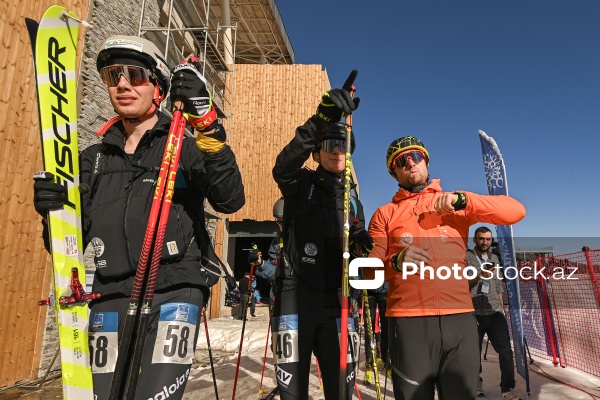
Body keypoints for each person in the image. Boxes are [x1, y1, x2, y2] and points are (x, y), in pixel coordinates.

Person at [32, 35, 244, 400]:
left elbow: (230, 199)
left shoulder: (185, 147)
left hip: (174, 289)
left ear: (158, 86)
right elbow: (70, 242)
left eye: (135, 74)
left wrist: (206, 125)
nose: (123, 84)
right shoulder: (93, 159)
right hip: (111, 292)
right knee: (104, 395)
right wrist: (52, 214)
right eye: (113, 75)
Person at [368, 136, 526, 400]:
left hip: (460, 320)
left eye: (416, 156)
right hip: (409, 324)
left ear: (426, 162)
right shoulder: (385, 213)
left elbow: (516, 211)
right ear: (393, 170)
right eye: (401, 160)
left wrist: (464, 200)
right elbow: (368, 273)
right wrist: (394, 263)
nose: (410, 163)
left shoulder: (454, 203)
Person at [271, 75, 373, 399]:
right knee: (292, 391)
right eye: (328, 145)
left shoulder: (353, 200)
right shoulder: (301, 184)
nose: (336, 151)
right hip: (295, 297)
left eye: (342, 145)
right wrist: (321, 120)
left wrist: (361, 248)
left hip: (339, 302)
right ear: (316, 154)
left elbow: (360, 255)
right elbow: (282, 167)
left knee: (340, 391)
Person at [468, 226, 522, 400]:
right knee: (473, 353)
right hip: (474, 312)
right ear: (475, 239)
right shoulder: (467, 256)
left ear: (492, 241)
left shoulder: (495, 258)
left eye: (488, 239)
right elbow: (462, 282)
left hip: (494, 311)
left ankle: (507, 390)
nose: (485, 242)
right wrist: (479, 275)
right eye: (481, 238)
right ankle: (476, 387)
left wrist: (501, 307)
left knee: (506, 351)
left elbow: (498, 284)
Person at [362, 281, 389, 386]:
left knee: (386, 329)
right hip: (369, 291)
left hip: (385, 291)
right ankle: (368, 366)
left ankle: (386, 363)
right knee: (369, 329)